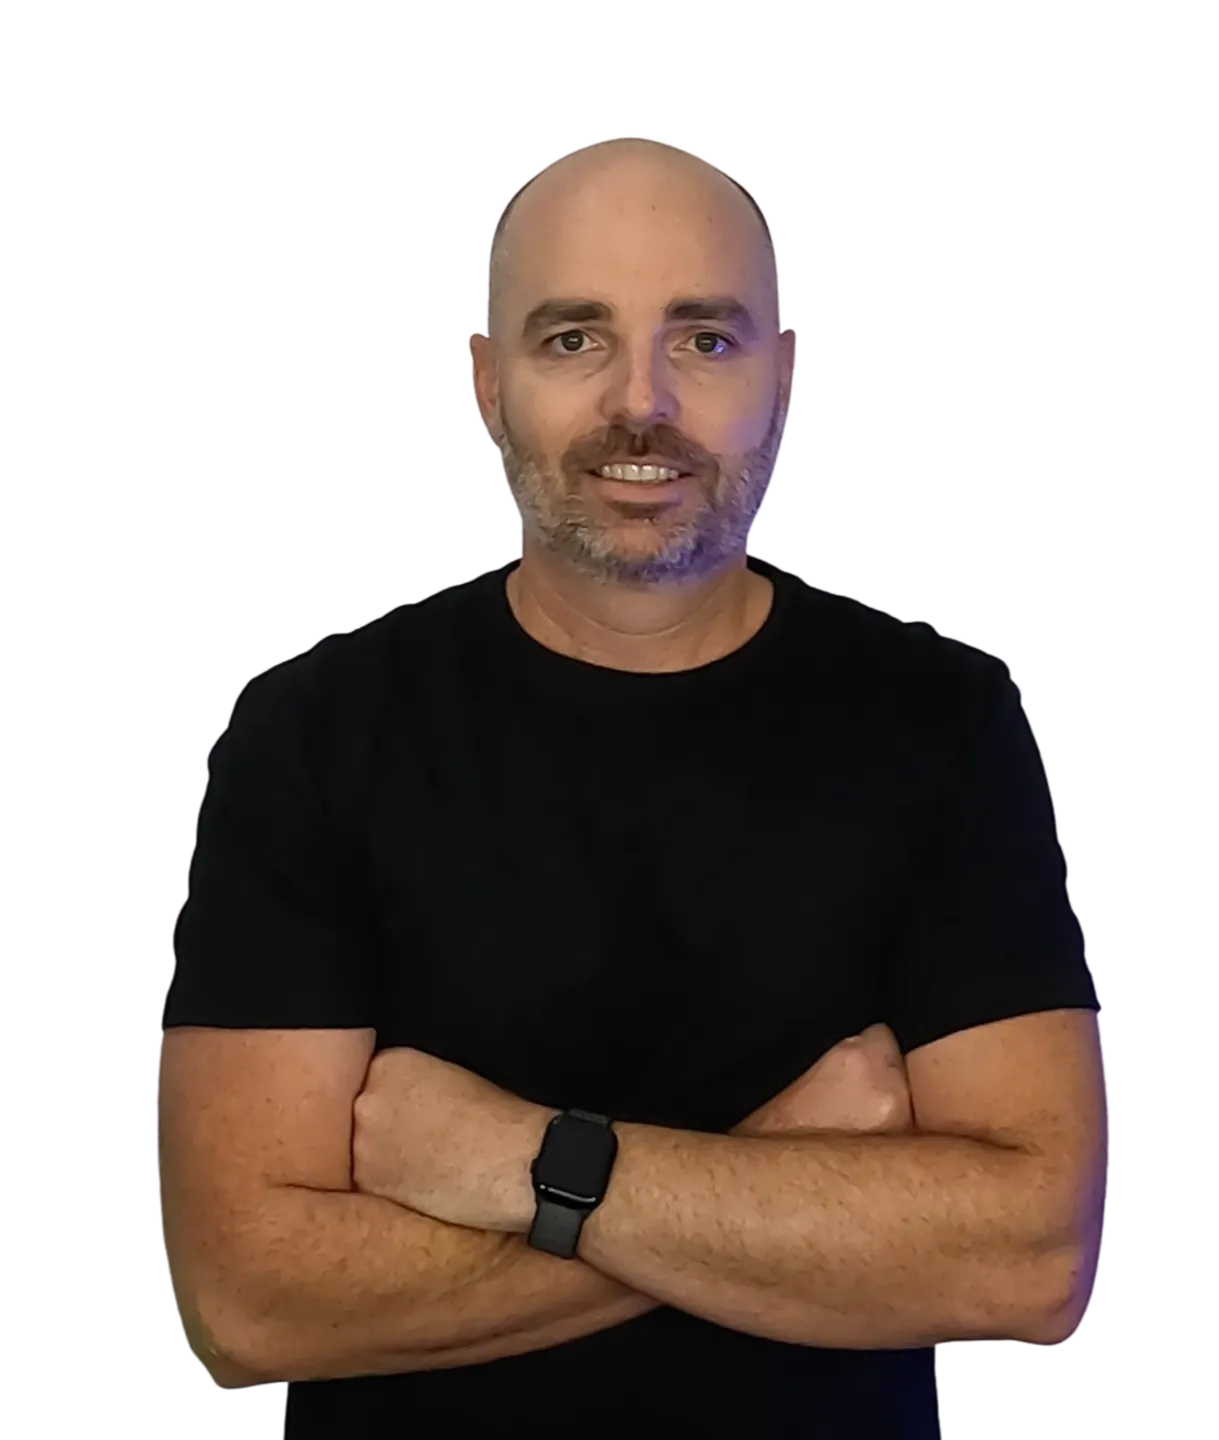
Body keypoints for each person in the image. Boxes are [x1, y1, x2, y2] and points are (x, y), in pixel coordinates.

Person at [159, 138, 1104, 1437]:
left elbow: (1029, 1262)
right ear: (485, 382)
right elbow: (250, 1306)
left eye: (704, 340)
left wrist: (523, 1165)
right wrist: (780, 1169)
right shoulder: (314, 735)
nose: (642, 402)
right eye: (573, 339)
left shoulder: (940, 724)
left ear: (784, 376)